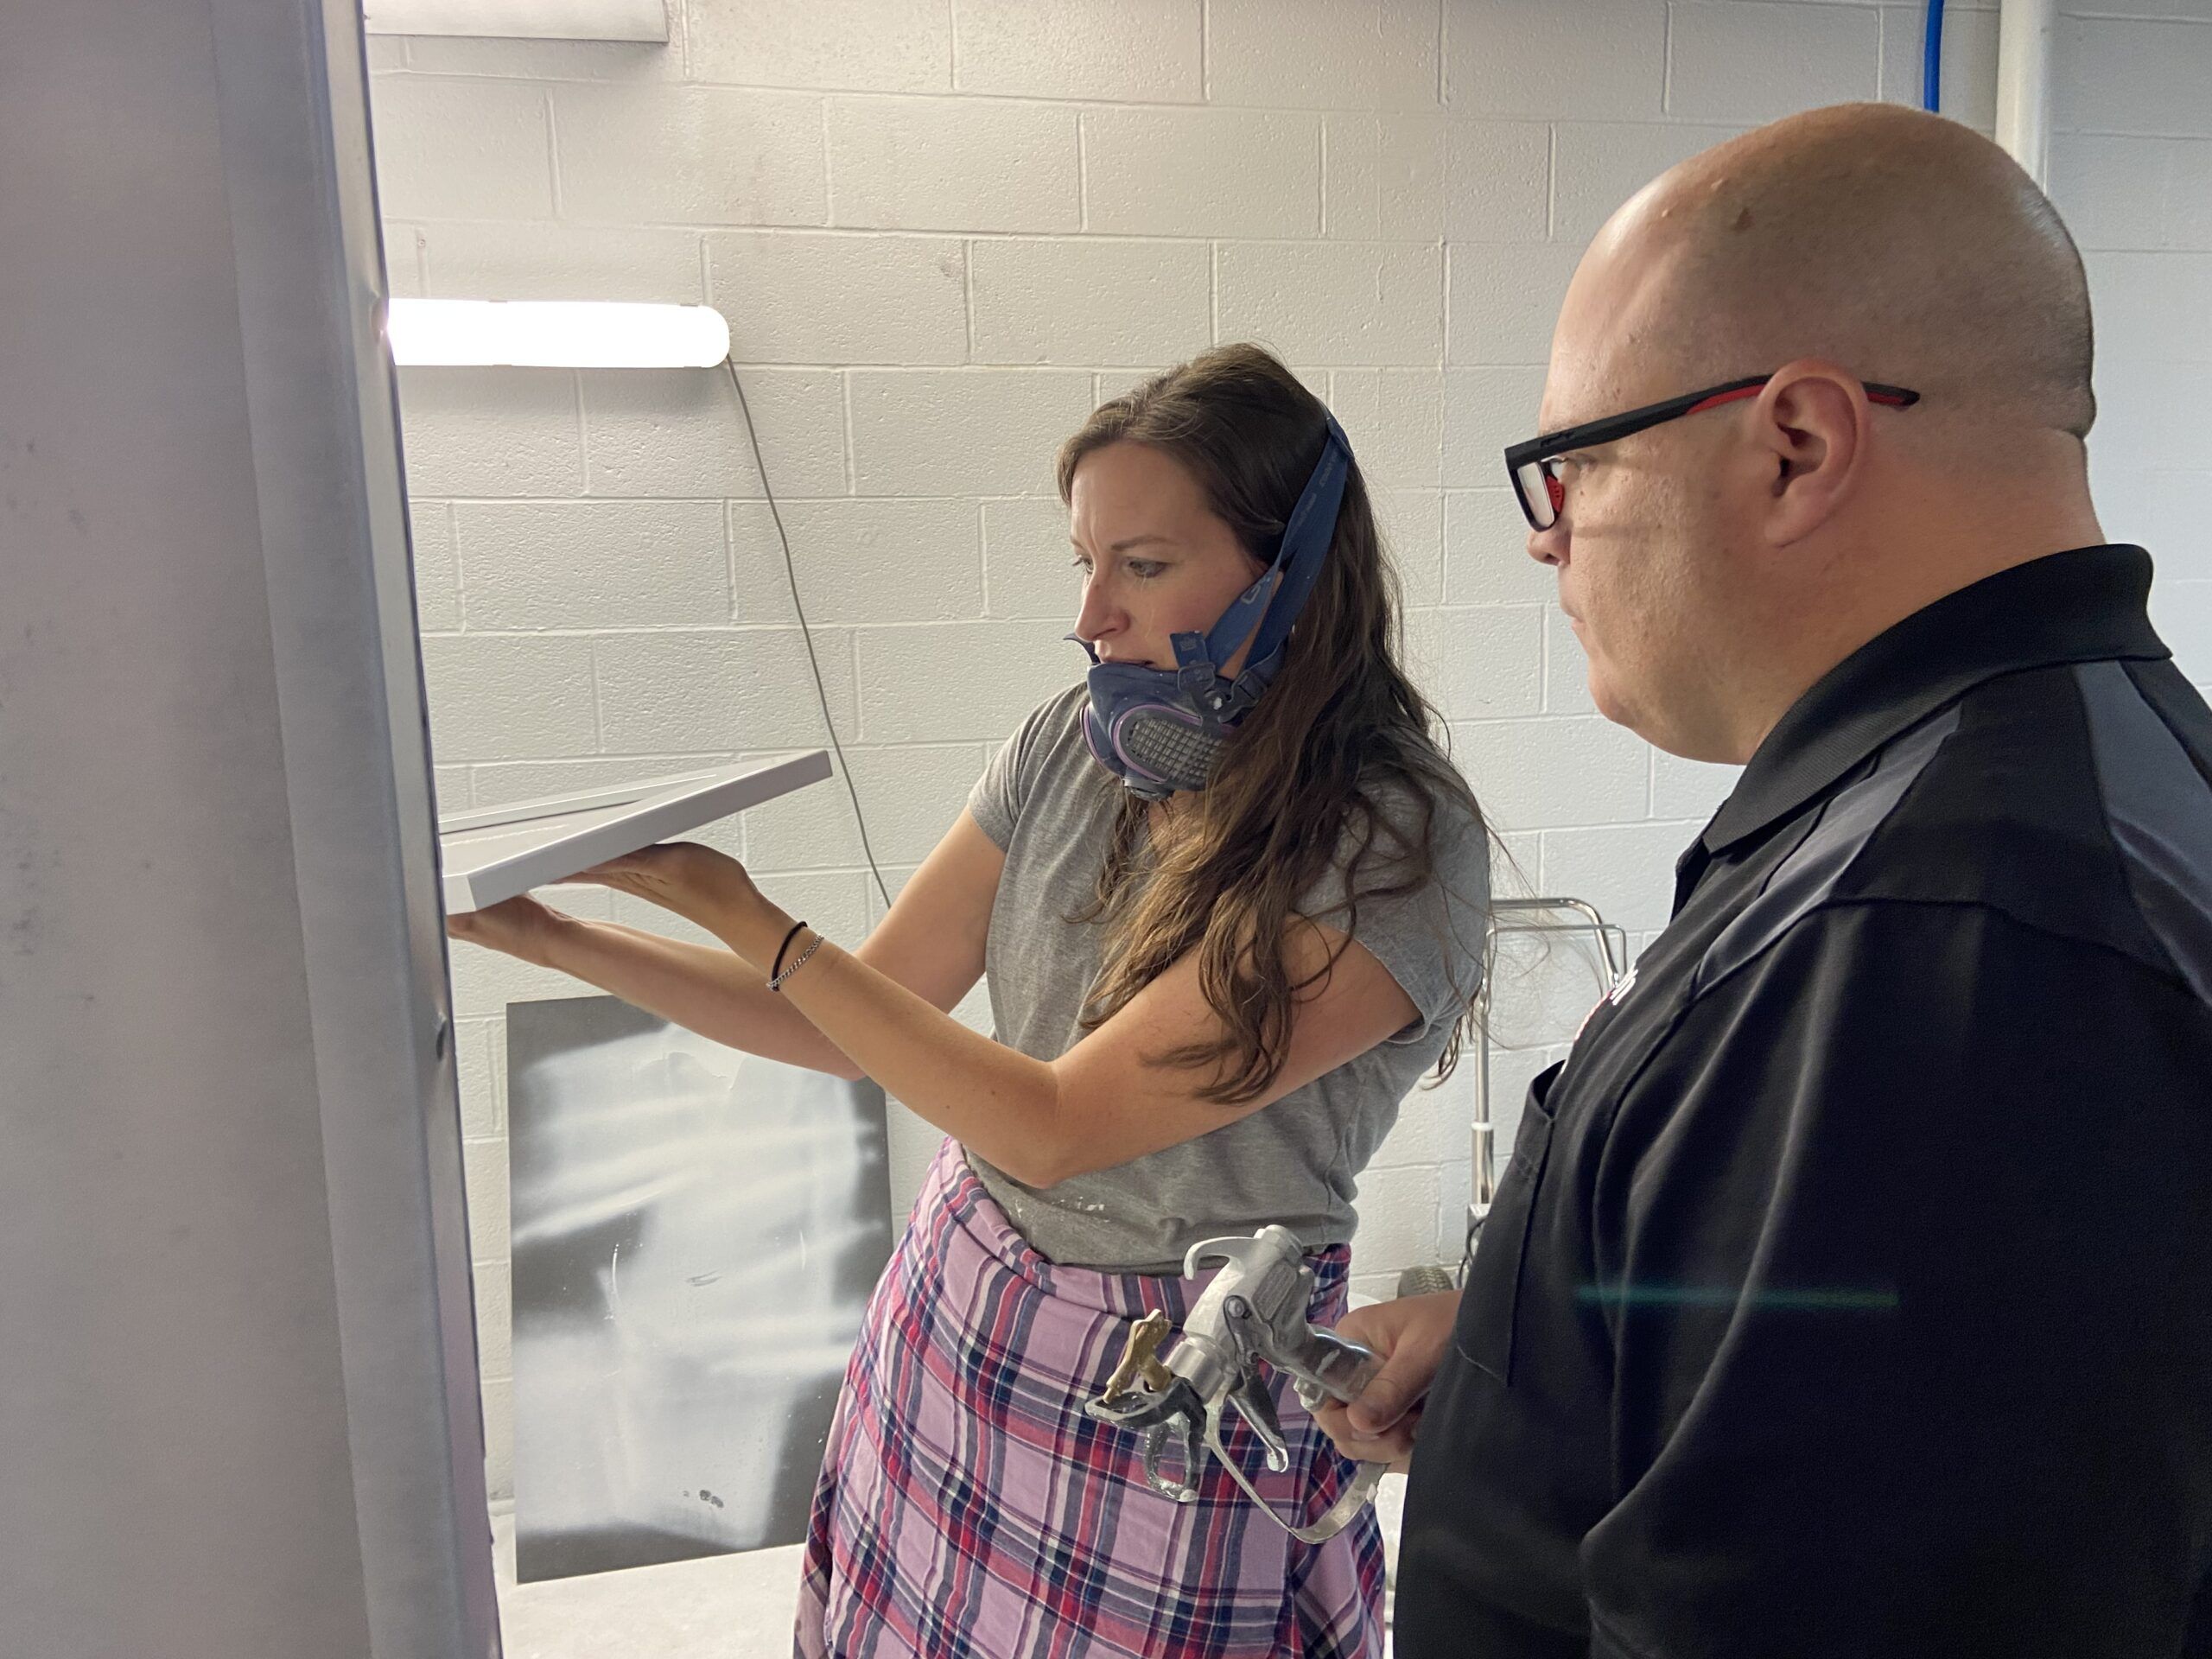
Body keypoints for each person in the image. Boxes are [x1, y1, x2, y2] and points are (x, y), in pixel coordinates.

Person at [1316, 102, 2212, 1656]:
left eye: (1570, 469)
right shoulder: (2018, 791)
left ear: (1795, 444)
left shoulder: (1944, 946)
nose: (1551, 544)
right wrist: (1554, 1347)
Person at [448, 342, 1491, 1657]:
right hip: (966, 1304)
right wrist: (551, 935)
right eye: (1087, 563)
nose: (1092, 616)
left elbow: (1054, 1123)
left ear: (1293, 580)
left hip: (1180, 1365)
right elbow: (841, 1020)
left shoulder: (1391, 843)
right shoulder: (1068, 747)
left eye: (1146, 565)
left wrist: (742, 911)